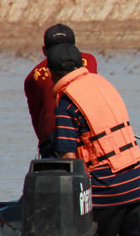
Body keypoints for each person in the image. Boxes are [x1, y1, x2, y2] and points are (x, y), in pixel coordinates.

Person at [48, 43, 140, 236]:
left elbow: (68, 156)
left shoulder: (67, 102)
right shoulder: (103, 83)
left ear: (52, 74)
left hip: (106, 192)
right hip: (135, 183)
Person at [25, 23, 98, 157]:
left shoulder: (32, 77)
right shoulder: (90, 61)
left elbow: (37, 120)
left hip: (53, 138)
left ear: (44, 51)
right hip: (88, 131)